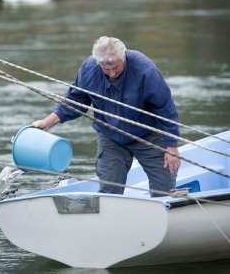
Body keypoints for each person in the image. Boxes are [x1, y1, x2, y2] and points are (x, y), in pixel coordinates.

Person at [32, 36, 180, 196]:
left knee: (164, 188)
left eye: (116, 67)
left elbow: (165, 108)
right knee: (110, 189)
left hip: (148, 134)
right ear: (98, 62)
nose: (112, 72)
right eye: (106, 68)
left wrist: (171, 146)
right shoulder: (89, 69)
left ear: (124, 58)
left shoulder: (145, 70)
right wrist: (47, 122)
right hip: (111, 135)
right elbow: (75, 101)